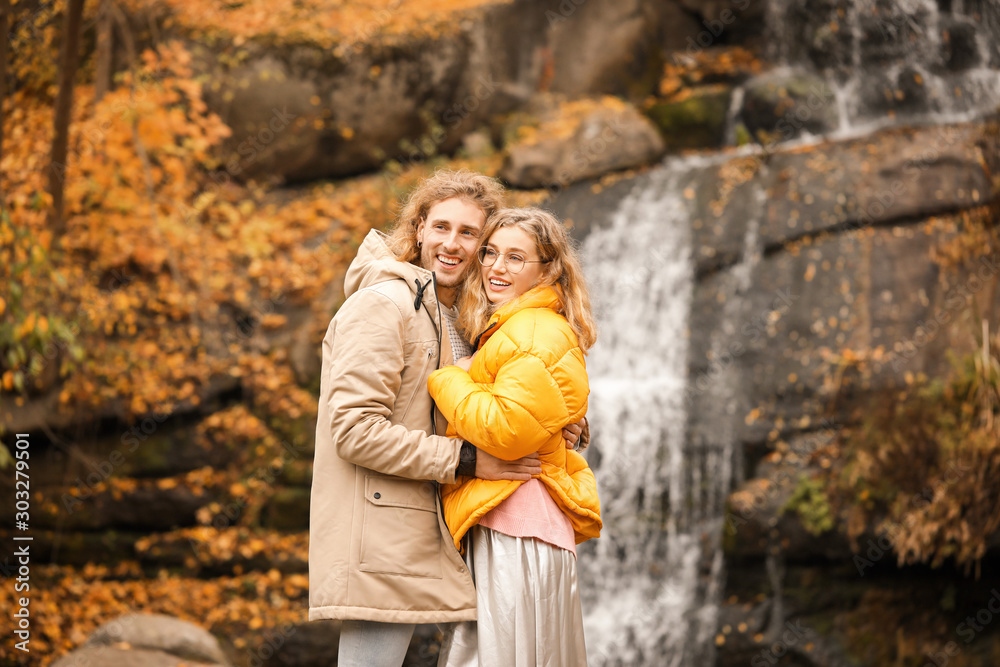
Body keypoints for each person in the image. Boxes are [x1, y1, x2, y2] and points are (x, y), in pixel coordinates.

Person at [308, 171, 586, 667]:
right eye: (441, 227)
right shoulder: (382, 306)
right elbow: (353, 430)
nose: (451, 244)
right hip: (384, 532)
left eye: (469, 234)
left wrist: (557, 419)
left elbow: (486, 402)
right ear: (418, 229)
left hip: (447, 524)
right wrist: (466, 459)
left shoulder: (460, 317)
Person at [428, 207, 602, 666]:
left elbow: (505, 431)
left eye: (515, 258)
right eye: (490, 253)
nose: (495, 267)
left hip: (516, 524)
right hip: (511, 520)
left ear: (547, 270)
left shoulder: (533, 329)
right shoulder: (507, 327)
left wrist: (448, 378)